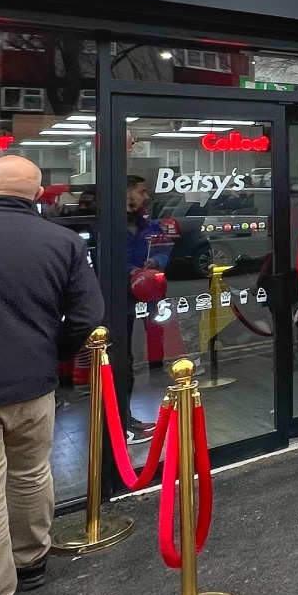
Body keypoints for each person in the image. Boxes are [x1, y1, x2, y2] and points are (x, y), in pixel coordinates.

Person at [0, 156, 104, 595]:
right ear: (39, 194)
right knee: (30, 472)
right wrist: (53, 351)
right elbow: (87, 315)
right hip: (33, 381)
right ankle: (31, 561)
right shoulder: (62, 242)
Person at [125, 174, 172, 444]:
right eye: (141, 191)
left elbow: (164, 246)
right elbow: (98, 257)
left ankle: (126, 417)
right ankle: (121, 422)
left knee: (130, 358)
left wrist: (157, 260)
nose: (146, 196)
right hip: (119, 298)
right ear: (126, 193)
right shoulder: (109, 223)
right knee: (120, 360)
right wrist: (128, 271)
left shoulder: (146, 223)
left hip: (147, 295)